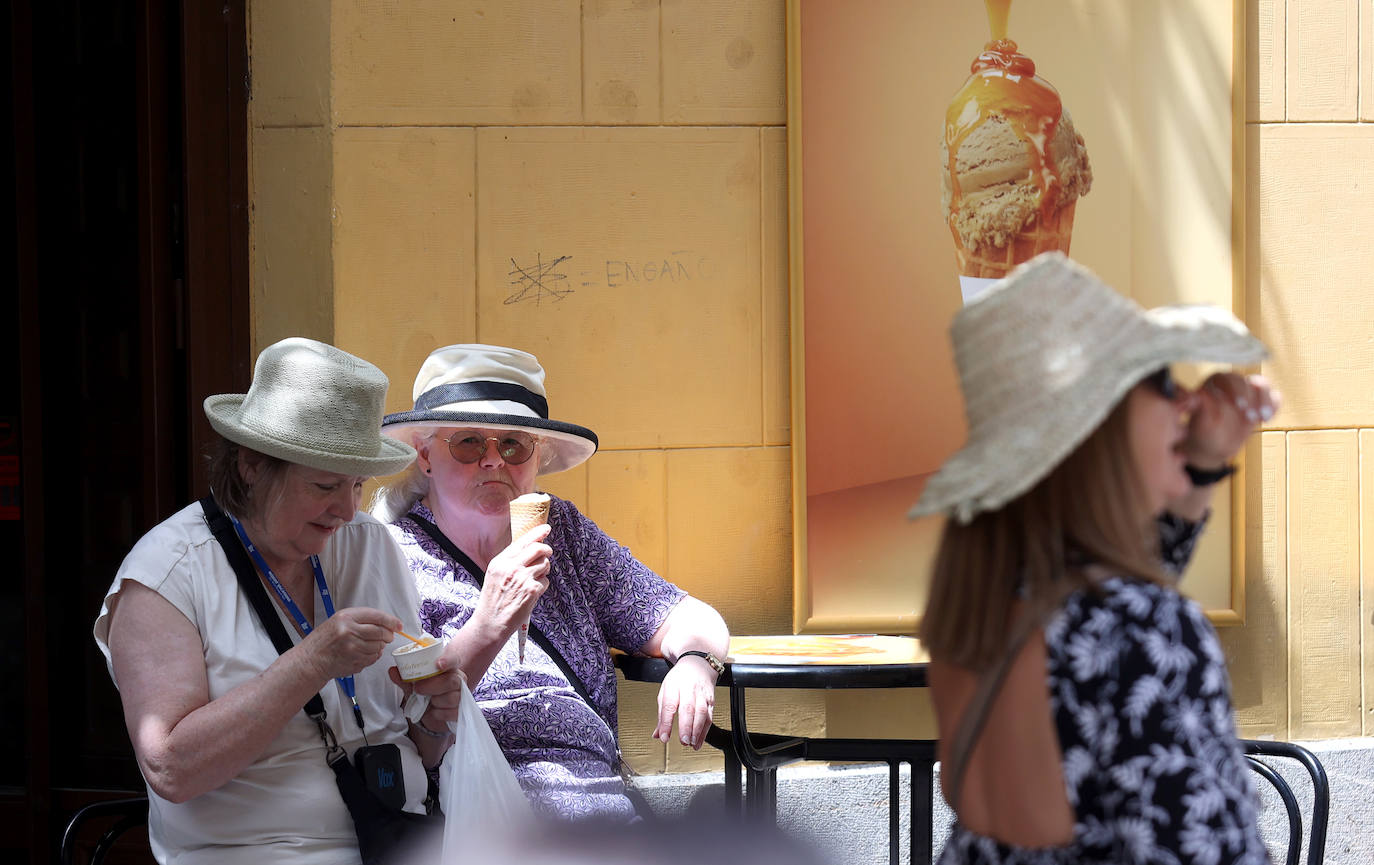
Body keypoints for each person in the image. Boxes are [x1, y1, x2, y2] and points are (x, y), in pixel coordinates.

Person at [911, 253, 1277, 865]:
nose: (1186, 403)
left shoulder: (997, 596)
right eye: (1162, 381)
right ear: (1099, 425)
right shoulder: (1141, 631)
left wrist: (1198, 467)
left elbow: (1109, 599)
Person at [93, 338, 468, 864]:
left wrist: (434, 719)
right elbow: (171, 770)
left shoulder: (370, 545)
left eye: (357, 485)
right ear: (252, 464)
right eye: (325, 485)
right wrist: (312, 662)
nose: (347, 510)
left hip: (397, 841)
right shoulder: (169, 572)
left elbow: (412, 745)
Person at [371, 343, 730, 822]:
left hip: (606, 813)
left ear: (537, 457)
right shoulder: (391, 554)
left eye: (514, 444)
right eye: (469, 442)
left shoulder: (562, 531)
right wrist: (491, 621)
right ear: (424, 454)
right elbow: (411, 731)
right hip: (479, 820)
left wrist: (697, 664)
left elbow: (685, 615)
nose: (493, 461)